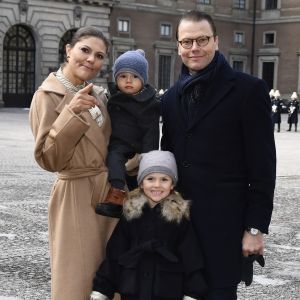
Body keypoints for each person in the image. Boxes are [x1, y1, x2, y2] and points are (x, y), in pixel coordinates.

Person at [160, 10, 276, 300]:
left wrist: (255, 227)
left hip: (224, 228)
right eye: (187, 42)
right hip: (181, 227)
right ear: (178, 46)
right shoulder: (172, 97)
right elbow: (169, 156)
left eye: (202, 40)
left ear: (216, 41)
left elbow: (263, 166)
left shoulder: (249, 90)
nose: (194, 48)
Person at [29, 27, 119, 300]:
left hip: (108, 193)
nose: (91, 59)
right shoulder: (47, 96)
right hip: (75, 195)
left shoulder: (99, 96)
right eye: (85, 50)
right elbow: (49, 159)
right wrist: (70, 113)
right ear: (68, 50)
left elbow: (108, 145)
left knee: (110, 276)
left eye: (99, 55)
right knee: (77, 279)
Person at [90, 150, 207, 300]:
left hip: (166, 290)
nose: (157, 185)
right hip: (134, 290)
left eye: (164, 179)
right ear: (141, 183)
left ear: (172, 184)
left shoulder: (178, 218)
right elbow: (115, 254)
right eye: (150, 178)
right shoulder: (131, 214)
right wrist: (102, 288)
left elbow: (192, 258)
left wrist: (193, 292)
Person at [96, 49, 161, 218]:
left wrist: (147, 157)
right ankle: (116, 196)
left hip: (138, 146)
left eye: (135, 77)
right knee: (114, 159)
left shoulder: (149, 103)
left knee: (139, 179)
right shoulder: (112, 97)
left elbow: (151, 131)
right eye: (123, 76)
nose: (128, 81)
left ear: (143, 80)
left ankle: (143, 202)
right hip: (118, 144)